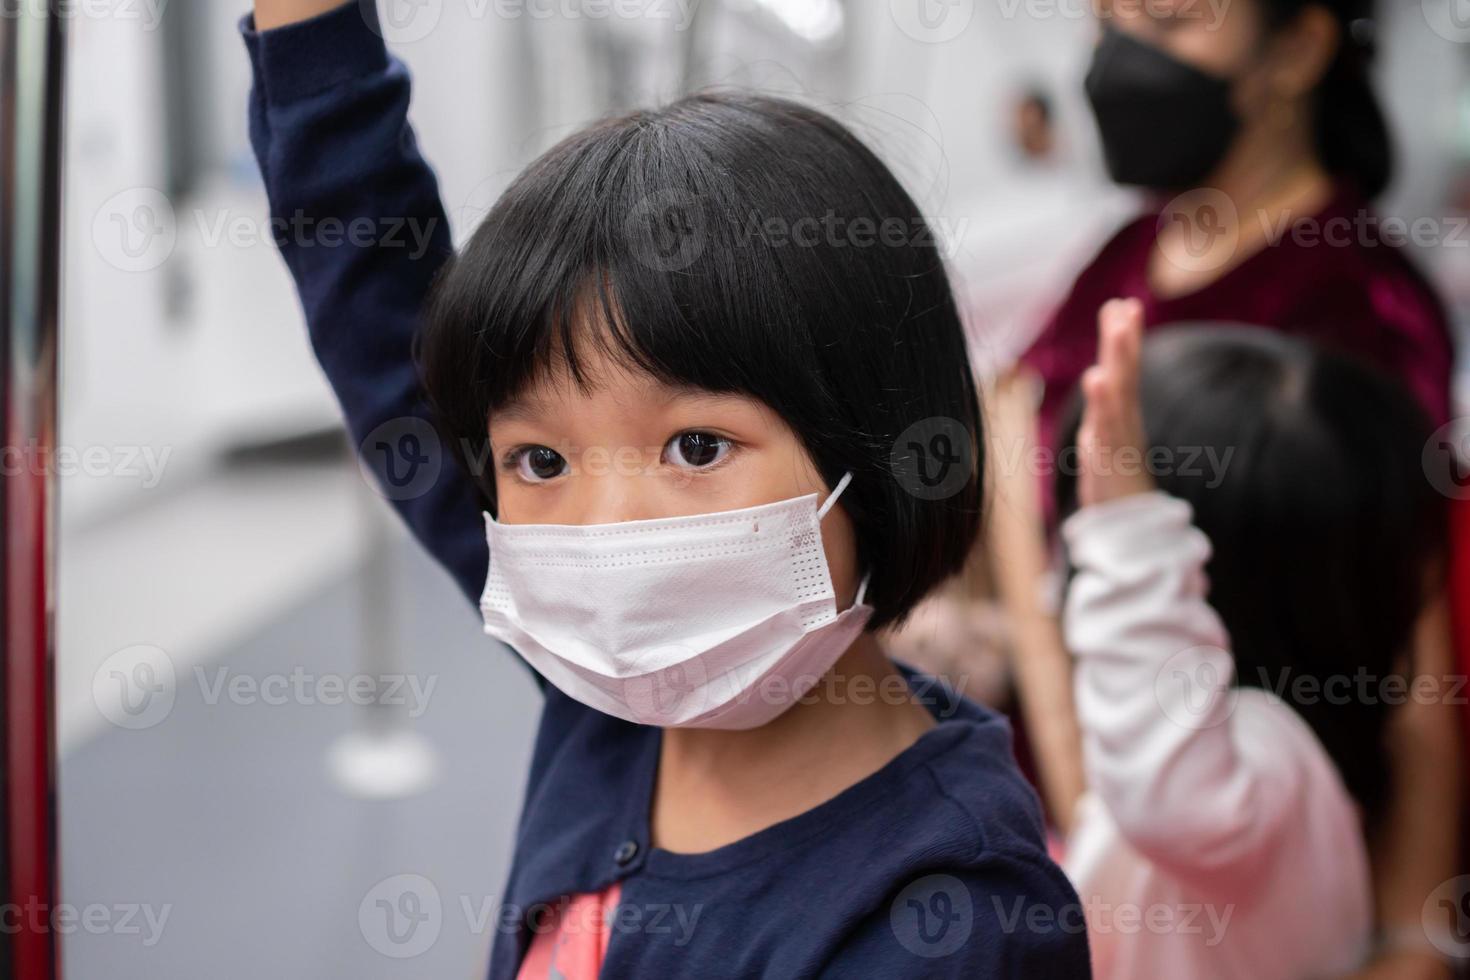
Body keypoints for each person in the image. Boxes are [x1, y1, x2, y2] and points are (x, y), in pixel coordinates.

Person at [242, 2, 1091, 977]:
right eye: (542, 460)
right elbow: (381, 311)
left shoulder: (952, 922)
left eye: (694, 445)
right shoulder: (621, 694)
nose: (610, 532)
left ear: (883, 442)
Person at [986, 0, 1463, 974]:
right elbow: (1015, 457)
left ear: (1297, 46)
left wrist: (1413, 939)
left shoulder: (1357, 307)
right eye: (1106, 21)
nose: (1120, 59)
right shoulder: (1125, 253)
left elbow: (1417, 663)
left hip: (1239, 889)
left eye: (1166, 21)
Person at [1052, 300, 1448, 977]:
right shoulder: (1300, 746)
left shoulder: (1263, 768)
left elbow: (1168, 797)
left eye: (1090, 545)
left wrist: (1129, 541)